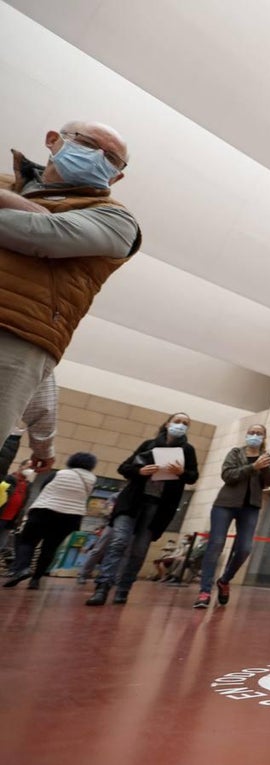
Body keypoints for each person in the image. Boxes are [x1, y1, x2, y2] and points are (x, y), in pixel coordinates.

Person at [0, 122, 141, 461]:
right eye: (88, 144)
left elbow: (40, 235)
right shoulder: (6, 185)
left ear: (117, 176)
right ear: (53, 140)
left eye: (111, 158)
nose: (98, 157)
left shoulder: (115, 219)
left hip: (15, 334)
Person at [87, 413, 199, 606]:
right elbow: (124, 468)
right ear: (167, 424)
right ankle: (103, 586)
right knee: (119, 542)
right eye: (177, 421)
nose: (181, 425)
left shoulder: (187, 450)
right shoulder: (149, 444)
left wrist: (181, 472)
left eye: (185, 423)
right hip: (132, 502)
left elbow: (193, 476)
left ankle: (123, 589)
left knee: (139, 550)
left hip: (158, 507)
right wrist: (139, 471)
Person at [195, 424, 270, 608]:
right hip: (225, 504)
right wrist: (252, 467)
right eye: (251, 432)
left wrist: (264, 467)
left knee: (245, 548)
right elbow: (227, 475)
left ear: (264, 437)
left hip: (251, 507)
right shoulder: (235, 453)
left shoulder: (268, 457)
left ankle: (224, 580)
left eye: (259, 433)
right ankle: (204, 591)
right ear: (246, 435)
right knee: (216, 545)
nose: (254, 435)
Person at [3, 452, 98, 589]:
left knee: (27, 541)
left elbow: (44, 488)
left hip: (44, 511)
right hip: (71, 516)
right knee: (50, 548)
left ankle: (23, 569)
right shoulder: (92, 479)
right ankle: (35, 580)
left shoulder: (60, 473)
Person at [0, 459, 34, 555]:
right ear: (21, 466)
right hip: (2, 514)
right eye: (28, 466)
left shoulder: (27, 484)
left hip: (12, 518)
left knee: (2, 542)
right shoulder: (9, 479)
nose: (30, 470)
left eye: (32, 468)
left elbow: (24, 502)